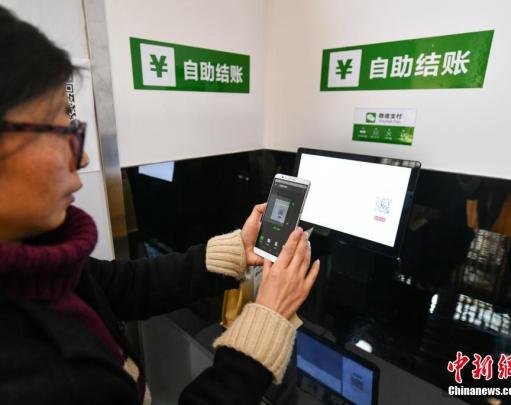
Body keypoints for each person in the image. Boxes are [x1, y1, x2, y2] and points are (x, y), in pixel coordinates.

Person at [0, 6, 320, 405]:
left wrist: (237, 248)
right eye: (61, 132)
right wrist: (266, 324)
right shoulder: (26, 373)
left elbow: (123, 285)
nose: (82, 158)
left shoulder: (42, 264)